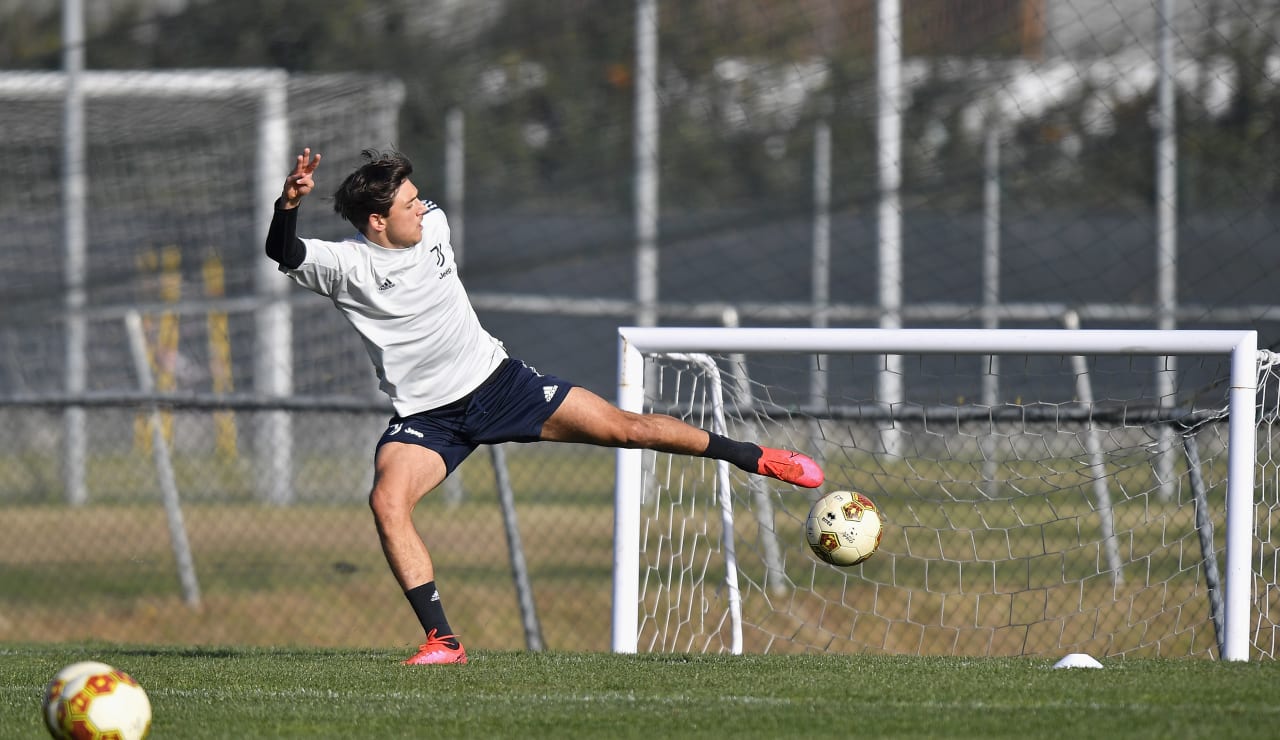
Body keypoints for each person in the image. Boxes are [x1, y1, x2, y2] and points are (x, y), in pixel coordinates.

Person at [264, 147, 824, 665]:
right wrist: (289, 205)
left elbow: (413, 206)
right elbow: (282, 251)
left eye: (417, 197)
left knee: (626, 429)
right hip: (428, 418)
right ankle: (444, 639)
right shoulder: (345, 266)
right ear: (378, 222)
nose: (421, 207)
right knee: (387, 502)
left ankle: (756, 457)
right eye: (407, 203)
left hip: (500, 385)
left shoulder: (434, 225)